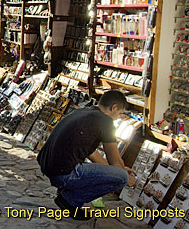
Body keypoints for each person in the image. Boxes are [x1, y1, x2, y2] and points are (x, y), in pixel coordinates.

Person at [37, 90, 136, 220]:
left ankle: (67, 193)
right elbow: (115, 161)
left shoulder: (83, 111)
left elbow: (92, 153)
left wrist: (114, 171)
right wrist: (123, 174)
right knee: (122, 178)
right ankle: (70, 200)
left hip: (49, 168)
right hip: (63, 174)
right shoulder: (106, 121)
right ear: (114, 107)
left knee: (118, 173)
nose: (117, 117)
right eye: (119, 114)